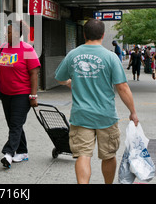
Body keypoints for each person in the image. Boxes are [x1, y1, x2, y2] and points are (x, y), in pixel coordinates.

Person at [55, 18, 139, 184]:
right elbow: (122, 87)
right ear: (103, 34)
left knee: (83, 155)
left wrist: (70, 83)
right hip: (106, 116)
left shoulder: (73, 54)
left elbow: (60, 78)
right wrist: (133, 112)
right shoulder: (110, 57)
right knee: (108, 155)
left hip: (81, 116)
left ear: (84, 34)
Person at [0, 21, 41, 169]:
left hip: (22, 93)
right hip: (5, 93)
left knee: (15, 124)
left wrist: (33, 96)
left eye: (8, 32)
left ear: (16, 33)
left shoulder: (27, 49)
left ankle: (8, 153)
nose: (5, 35)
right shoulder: (2, 48)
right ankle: (22, 152)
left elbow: (34, 73)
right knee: (14, 124)